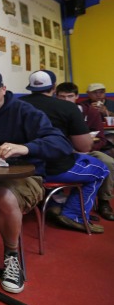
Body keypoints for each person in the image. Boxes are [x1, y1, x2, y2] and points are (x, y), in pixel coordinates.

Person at [0, 69, 76, 294]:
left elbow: (61, 143)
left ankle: (11, 255)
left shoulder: (25, 112)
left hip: (25, 177)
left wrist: (25, 147)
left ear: (3, 89)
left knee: (2, 196)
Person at [19, 70, 110, 226]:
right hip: (54, 169)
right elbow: (84, 146)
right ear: (54, 87)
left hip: (20, 168)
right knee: (100, 169)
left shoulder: (15, 105)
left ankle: (56, 205)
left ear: (30, 86)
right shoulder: (67, 107)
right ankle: (74, 215)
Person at [56, 81, 114, 220]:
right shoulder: (53, 112)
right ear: (55, 96)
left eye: (70, 96)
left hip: (88, 150)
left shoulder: (90, 112)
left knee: (109, 162)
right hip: (61, 152)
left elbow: (101, 139)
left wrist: (87, 148)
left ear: (77, 97)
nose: (66, 100)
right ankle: (56, 202)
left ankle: (104, 201)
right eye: (62, 97)